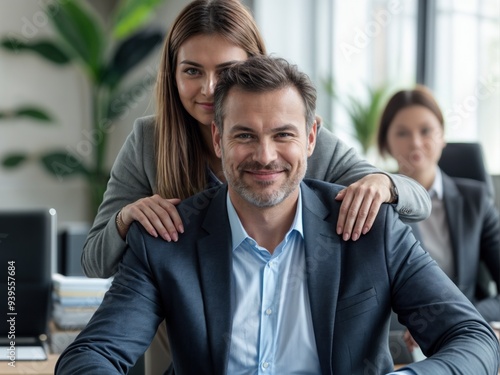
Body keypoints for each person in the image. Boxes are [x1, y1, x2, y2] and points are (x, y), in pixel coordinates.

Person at [57, 56, 499, 375]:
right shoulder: (167, 240)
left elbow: (474, 340)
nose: (264, 156)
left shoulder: (372, 228)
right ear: (218, 138)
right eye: (244, 135)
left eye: (282, 135)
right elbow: (89, 356)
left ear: (310, 138)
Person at [82, 0, 431, 280]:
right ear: (172, 75)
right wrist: (124, 219)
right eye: (192, 71)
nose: (209, 88)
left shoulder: (305, 144)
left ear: (255, 67)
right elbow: (94, 263)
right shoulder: (149, 141)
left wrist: (384, 183)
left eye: (226, 71)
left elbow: (418, 202)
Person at [377, 85, 500, 353]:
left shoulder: (476, 200)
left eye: (426, 130)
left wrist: (463, 317)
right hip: (401, 346)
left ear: (443, 136)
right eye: (402, 133)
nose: (416, 142)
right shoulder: (375, 204)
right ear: (386, 143)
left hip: (466, 335)